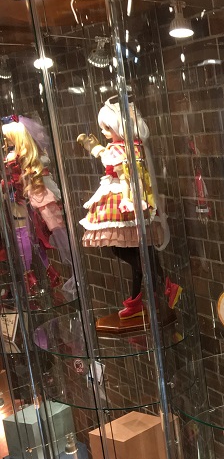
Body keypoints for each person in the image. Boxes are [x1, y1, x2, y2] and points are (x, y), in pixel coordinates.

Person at [78, 98, 178, 321]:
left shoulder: (120, 149)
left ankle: (160, 284)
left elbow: (111, 162)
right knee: (139, 250)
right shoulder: (135, 146)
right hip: (135, 198)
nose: (104, 132)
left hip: (126, 197)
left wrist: (92, 146)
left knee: (123, 249)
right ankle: (142, 297)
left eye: (107, 128)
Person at [2, 117, 73, 295]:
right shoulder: (27, 154)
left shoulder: (13, 157)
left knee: (23, 236)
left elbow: (12, 181)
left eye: (7, 137)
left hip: (19, 200)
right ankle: (49, 271)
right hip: (28, 199)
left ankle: (30, 276)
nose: (5, 140)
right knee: (35, 238)